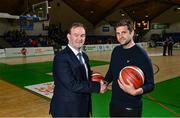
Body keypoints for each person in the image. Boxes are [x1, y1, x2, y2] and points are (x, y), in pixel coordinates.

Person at [49, 22, 106, 117]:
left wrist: (97, 78)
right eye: (76, 35)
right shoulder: (61, 57)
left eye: (82, 35)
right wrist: (97, 87)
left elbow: (85, 75)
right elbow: (72, 84)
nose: (80, 39)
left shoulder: (84, 56)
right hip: (66, 109)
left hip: (82, 106)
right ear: (68, 36)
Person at [104, 19, 155, 117]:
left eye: (124, 32)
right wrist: (105, 82)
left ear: (132, 33)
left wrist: (136, 92)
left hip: (131, 107)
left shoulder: (141, 55)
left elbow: (151, 85)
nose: (120, 36)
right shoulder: (116, 50)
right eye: (118, 33)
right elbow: (111, 71)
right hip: (114, 104)